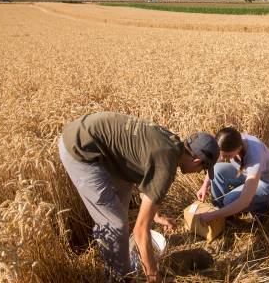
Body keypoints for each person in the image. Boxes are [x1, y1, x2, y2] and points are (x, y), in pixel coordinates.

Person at [58, 112, 219, 282]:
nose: (199, 173)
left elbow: (142, 170)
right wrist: (153, 276)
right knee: (116, 224)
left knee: (120, 206)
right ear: (196, 161)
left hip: (94, 139)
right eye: (203, 169)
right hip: (81, 148)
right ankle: (120, 278)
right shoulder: (166, 166)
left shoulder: (172, 144)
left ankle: (116, 258)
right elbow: (140, 231)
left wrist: (155, 215)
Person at [195, 127, 269, 225]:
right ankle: (221, 211)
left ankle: (263, 205)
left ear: (238, 148)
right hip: (244, 174)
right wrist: (205, 185)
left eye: (227, 156)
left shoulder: (255, 158)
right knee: (217, 169)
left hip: (266, 183)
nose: (222, 158)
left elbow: (244, 201)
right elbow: (218, 160)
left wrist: (213, 215)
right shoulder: (232, 140)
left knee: (229, 201)